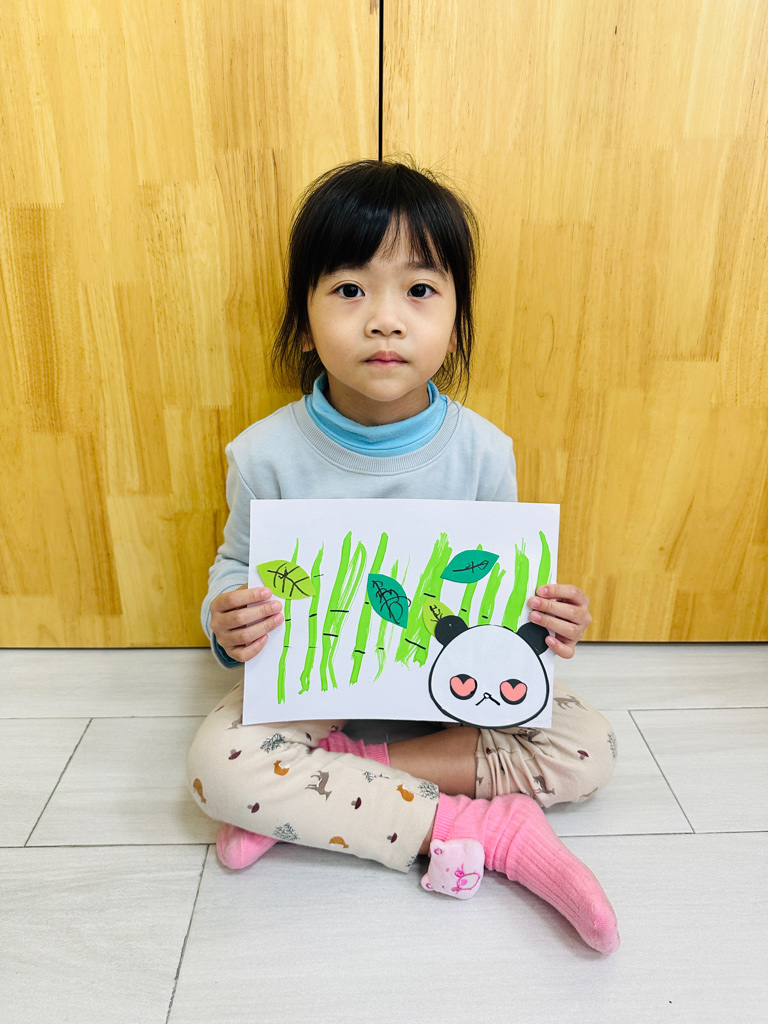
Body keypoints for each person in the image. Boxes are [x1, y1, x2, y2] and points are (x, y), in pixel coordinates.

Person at [186, 158, 620, 954]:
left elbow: (502, 595)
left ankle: (325, 786)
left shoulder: (485, 451)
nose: (385, 320)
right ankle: (484, 829)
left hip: (446, 696)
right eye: (350, 289)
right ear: (303, 319)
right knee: (217, 765)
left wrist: (549, 620)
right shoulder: (263, 454)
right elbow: (235, 566)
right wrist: (227, 617)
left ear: (456, 320)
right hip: (310, 692)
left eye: (419, 289)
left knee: (587, 747)